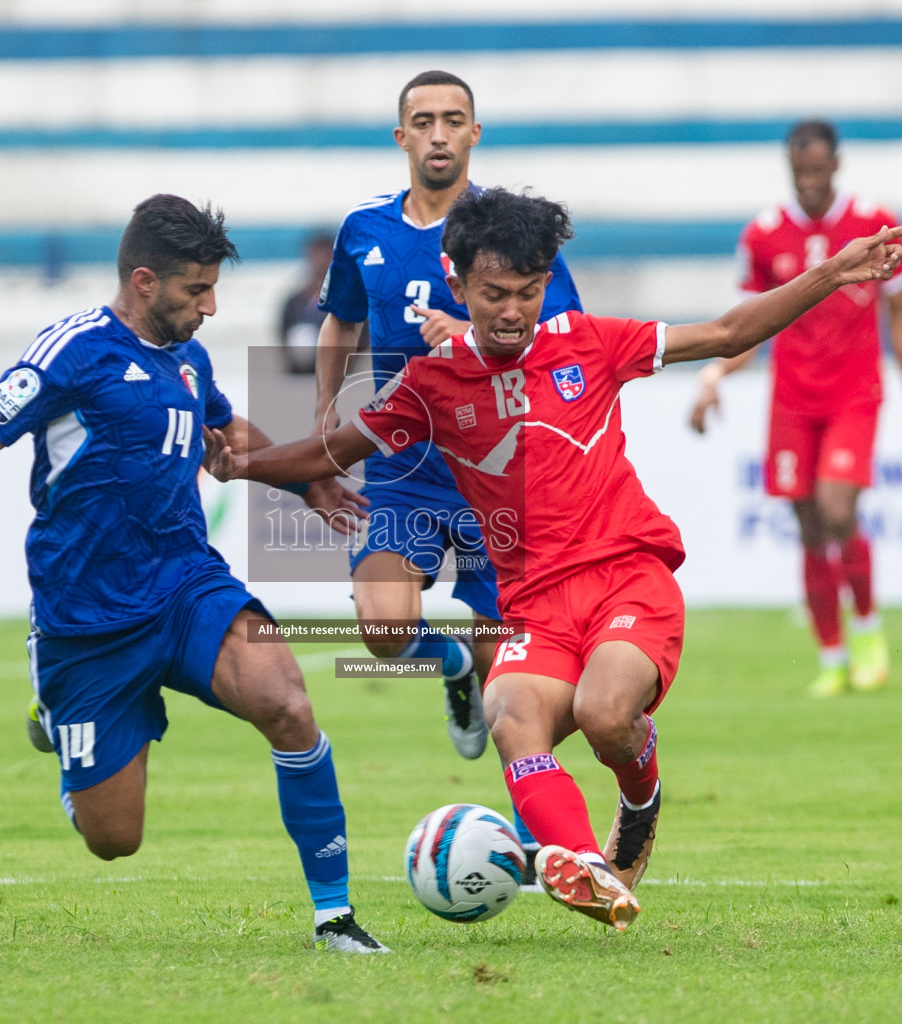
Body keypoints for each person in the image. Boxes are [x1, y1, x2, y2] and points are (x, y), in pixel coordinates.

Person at [210, 187, 902, 930]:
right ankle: (582, 865)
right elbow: (331, 449)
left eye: (526, 292)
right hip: (535, 605)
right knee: (510, 711)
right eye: (493, 295)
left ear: (546, 283)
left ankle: (640, 801)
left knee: (605, 715)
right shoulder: (429, 385)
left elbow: (730, 331)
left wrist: (829, 274)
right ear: (457, 285)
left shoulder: (590, 342)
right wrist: (241, 465)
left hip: (625, 577)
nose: (512, 311)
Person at [0, 194, 387, 954]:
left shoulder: (189, 356)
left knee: (285, 699)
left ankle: (334, 918)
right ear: (145, 281)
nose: (210, 307)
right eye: (197, 291)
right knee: (114, 839)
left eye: (214, 288)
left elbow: (226, 428)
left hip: (188, 585)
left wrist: (304, 480)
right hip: (87, 621)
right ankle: (58, 721)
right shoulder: (73, 352)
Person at [315, 70, 583, 875]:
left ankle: (533, 846)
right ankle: (452, 668)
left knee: (521, 677)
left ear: (475, 134)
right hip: (404, 471)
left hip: (500, 475)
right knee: (384, 630)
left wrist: (467, 330)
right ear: (401, 136)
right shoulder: (363, 230)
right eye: (423, 121)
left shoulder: (509, 230)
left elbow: (562, 333)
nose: (438, 134)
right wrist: (328, 412)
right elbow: (341, 320)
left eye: (453, 120)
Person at [689, 119, 902, 698]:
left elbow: (900, 316)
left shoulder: (874, 224)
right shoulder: (765, 234)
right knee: (807, 524)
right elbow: (746, 328)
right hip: (792, 399)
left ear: (837, 165)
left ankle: (868, 630)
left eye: (819, 171)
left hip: (854, 393)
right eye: (801, 172)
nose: (810, 182)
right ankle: (832, 654)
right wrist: (715, 373)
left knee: (837, 507)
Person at [277, 232, 347, 375]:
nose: (319, 261)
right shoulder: (295, 301)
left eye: (325, 256)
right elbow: (282, 333)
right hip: (300, 374)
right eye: (315, 255)